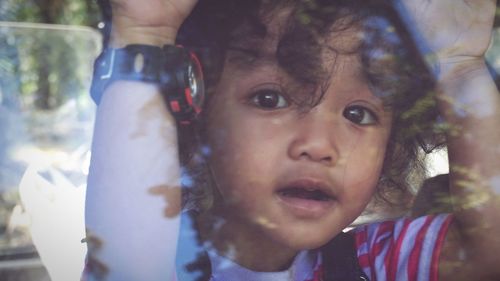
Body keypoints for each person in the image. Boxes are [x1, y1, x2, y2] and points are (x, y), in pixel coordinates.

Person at [84, 0, 500, 280]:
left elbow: (491, 250)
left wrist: (460, 69)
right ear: (197, 116)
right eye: (270, 99)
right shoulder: (152, 243)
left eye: (359, 114)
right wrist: (144, 33)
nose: (319, 146)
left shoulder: (374, 264)